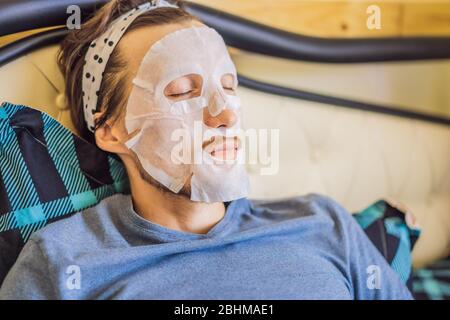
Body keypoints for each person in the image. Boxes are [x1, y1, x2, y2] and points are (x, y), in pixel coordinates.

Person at [0, 0, 412, 300]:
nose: (225, 115)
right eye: (182, 91)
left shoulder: (324, 223)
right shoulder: (62, 263)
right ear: (110, 132)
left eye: (229, 87)